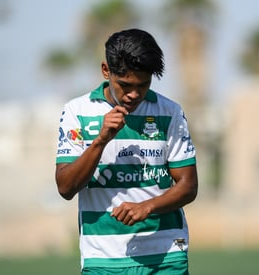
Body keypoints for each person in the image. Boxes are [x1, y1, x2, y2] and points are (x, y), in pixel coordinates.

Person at [55, 28, 198, 275]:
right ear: (105, 71)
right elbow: (65, 187)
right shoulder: (76, 112)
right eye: (125, 85)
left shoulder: (169, 111)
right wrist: (100, 140)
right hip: (103, 259)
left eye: (143, 86)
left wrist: (148, 206)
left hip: (165, 256)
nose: (134, 94)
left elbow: (188, 185)